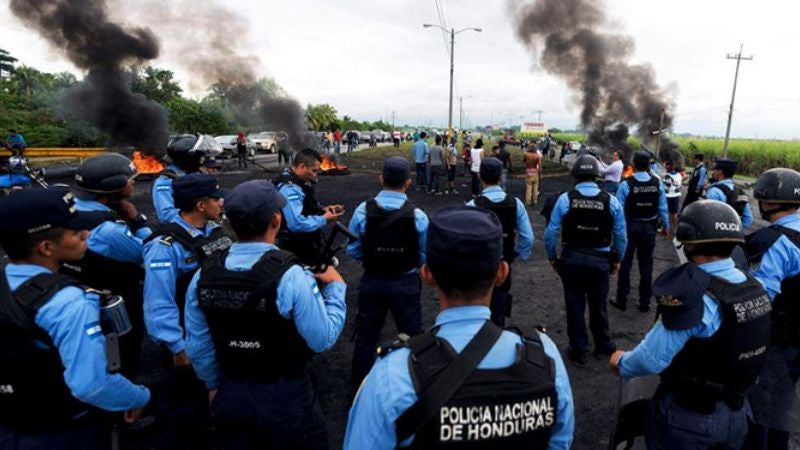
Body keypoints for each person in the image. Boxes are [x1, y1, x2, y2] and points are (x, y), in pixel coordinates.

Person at [344, 206, 574, 449]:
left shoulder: (394, 375)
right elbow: (560, 441)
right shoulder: (544, 357)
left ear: (427, 274)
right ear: (502, 273)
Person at [183, 180, 346, 450]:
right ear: (276, 219)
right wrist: (337, 288)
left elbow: (198, 345)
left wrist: (213, 385)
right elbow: (322, 339)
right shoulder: (291, 276)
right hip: (286, 396)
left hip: (231, 391)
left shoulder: (203, 275)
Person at [610, 200, 771, 450]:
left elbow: (652, 358)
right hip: (738, 411)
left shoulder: (698, 297)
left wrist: (622, 363)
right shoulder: (754, 287)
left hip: (689, 418)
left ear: (691, 243)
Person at [0, 187, 150, 449]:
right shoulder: (68, 302)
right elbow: (92, 384)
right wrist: (139, 397)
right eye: (74, 232)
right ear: (46, 247)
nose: (86, 234)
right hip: (63, 428)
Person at [143, 173, 232, 449]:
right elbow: (159, 303)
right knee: (187, 407)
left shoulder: (214, 231)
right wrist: (177, 349)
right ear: (201, 205)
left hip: (214, 330)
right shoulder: (165, 247)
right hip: (185, 339)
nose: (222, 201)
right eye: (216, 198)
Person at [61, 153, 152, 381]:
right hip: (115, 300)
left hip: (75, 292)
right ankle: (125, 404)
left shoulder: (68, 209)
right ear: (113, 186)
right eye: (129, 179)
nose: (132, 182)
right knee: (123, 354)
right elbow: (147, 252)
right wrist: (139, 221)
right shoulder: (109, 231)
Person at [347, 157, 429, 392]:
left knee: (366, 335)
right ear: (408, 182)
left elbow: (352, 248)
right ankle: (414, 386)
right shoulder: (418, 216)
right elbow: (425, 253)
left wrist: (372, 259)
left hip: (372, 280)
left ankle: (360, 388)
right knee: (412, 335)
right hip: (406, 282)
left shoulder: (363, 211)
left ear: (381, 178)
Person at [544, 154, 627, 365]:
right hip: (600, 261)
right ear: (597, 175)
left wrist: (553, 258)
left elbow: (550, 233)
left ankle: (579, 349)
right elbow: (621, 236)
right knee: (599, 304)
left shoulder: (566, 199)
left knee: (574, 305)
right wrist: (617, 260)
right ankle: (603, 344)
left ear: (576, 175)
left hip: (571, 259)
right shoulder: (611, 201)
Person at [741, 168, 800, 450]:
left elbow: (761, 298)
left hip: (776, 340)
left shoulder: (776, 241)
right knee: (783, 401)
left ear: (767, 200)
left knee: (759, 405)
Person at [467, 157, 534, 326]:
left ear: (480, 176)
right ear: (500, 177)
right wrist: (516, 255)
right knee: (499, 307)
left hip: (479, 265)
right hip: (503, 264)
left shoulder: (472, 205)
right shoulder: (516, 204)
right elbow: (528, 237)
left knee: (476, 307)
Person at [611, 151, 669, 313]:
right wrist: (666, 227)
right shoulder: (658, 183)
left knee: (625, 264)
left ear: (634, 165)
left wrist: (617, 232)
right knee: (646, 265)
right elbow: (663, 208)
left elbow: (618, 211)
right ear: (649, 165)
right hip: (649, 228)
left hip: (630, 227)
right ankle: (645, 302)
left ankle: (621, 299)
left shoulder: (626, 184)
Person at [274, 148, 344, 268]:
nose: (315, 175)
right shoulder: (289, 188)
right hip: (295, 247)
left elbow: (304, 206)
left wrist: (323, 210)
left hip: (304, 242)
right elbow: (296, 223)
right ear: (302, 167)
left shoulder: (295, 178)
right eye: (314, 171)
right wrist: (324, 219)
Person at [153, 134, 208, 223]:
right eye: (199, 155)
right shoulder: (166, 181)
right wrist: (198, 215)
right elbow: (166, 215)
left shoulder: (193, 173)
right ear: (188, 157)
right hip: (183, 231)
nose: (203, 159)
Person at [706, 158, 754, 229]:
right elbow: (748, 219)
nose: (713, 172)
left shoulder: (714, 191)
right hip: (734, 236)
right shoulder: (741, 192)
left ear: (720, 172)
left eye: (715, 169)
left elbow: (708, 217)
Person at [662, 160, 683, 234]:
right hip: (675, 196)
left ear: (668, 166)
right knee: (673, 213)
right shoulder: (679, 175)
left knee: (665, 212)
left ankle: (665, 228)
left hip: (667, 196)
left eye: (666, 165)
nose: (665, 166)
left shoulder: (665, 175)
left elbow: (663, 185)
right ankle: (675, 228)